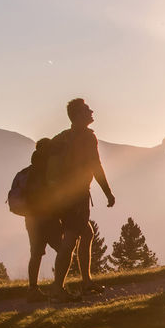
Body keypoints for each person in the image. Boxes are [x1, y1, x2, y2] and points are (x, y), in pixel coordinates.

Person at [46, 98, 115, 300]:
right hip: (77, 196)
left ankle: (86, 282)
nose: (91, 111)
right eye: (86, 110)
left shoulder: (62, 137)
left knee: (86, 233)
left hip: (60, 196)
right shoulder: (86, 137)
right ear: (77, 115)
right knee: (70, 239)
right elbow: (96, 165)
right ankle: (57, 289)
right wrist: (108, 192)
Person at [23, 138, 63, 301]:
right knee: (64, 250)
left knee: (36, 253)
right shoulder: (47, 171)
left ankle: (33, 289)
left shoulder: (26, 172)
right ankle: (58, 287)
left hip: (31, 219)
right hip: (49, 218)